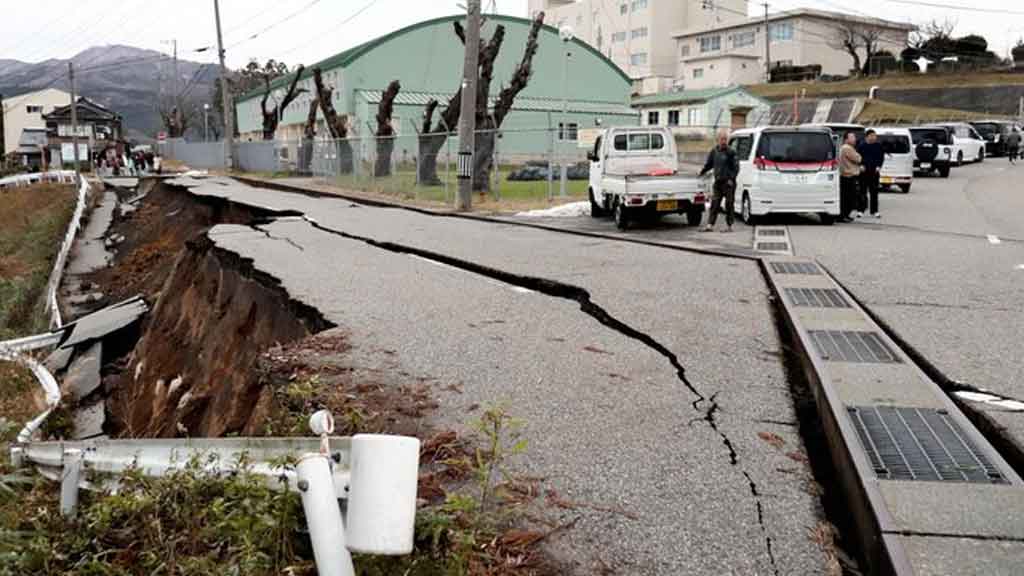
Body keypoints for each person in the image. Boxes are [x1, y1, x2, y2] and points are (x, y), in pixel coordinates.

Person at [699, 130, 740, 232]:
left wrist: (731, 179)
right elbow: (709, 164)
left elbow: (736, 168)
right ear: (718, 140)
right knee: (715, 203)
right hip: (718, 182)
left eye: (725, 139)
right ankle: (710, 225)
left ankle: (729, 226)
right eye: (722, 139)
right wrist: (702, 172)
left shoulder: (731, 152)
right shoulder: (714, 151)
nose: (724, 141)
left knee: (729, 204)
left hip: (728, 183)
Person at [857, 129, 884, 218]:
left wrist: (879, 166)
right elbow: (858, 157)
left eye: (875, 136)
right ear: (867, 137)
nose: (874, 137)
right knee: (862, 192)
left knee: (874, 192)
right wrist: (860, 165)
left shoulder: (878, 146)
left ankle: (874, 211)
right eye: (872, 136)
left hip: (874, 172)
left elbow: (881, 157)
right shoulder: (861, 146)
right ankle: (861, 210)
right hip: (863, 172)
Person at [839, 132, 862, 222]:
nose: (854, 139)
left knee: (847, 197)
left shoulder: (845, 148)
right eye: (852, 137)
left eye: (854, 137)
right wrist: (859, 156)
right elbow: (858, 158)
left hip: (846, 176)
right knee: (848, 198)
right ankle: (843, 215)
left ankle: (845, 215)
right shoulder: (847, 148)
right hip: (848, 176)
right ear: (846, 139)